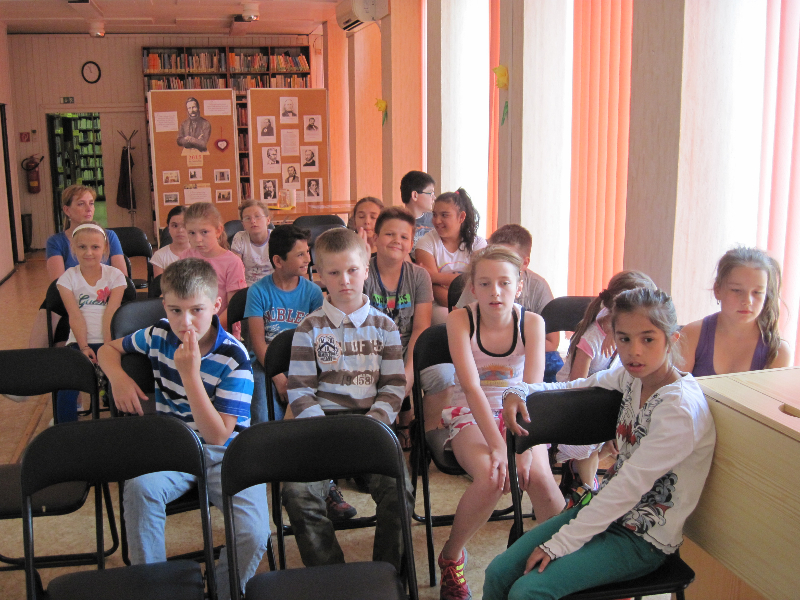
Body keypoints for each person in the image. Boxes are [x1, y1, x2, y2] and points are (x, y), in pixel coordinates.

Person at [485, 287, 716, 600]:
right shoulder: (631, 377)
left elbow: (629, 488)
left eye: (648, 339)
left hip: (643, 539)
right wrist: (520, 390)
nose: (634, 351)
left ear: (671, 340)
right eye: (624, 339)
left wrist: (559, 545)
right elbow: (575, 386)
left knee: (528, 592)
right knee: (498, 573)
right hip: (603, 512)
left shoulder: (679, 410)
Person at [98, 259, 270, 600]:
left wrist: (190, 375)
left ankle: (223, 591)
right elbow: (108, 349)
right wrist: (117, 378)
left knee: (253, 532)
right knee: (140, 489)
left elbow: (218, 435)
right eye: (175, 310)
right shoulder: (159, 334)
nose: (185, 322)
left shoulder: (234, 357)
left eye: (196, 310)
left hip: (227, 454)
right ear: (164, 305)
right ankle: (155, 589)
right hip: (175, 450)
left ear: (216, 305)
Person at [437, 245, 564, 600]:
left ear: (519, 286)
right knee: (493, 476)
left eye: (504, 283)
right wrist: (498, 447)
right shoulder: (460, 320)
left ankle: (564, 557)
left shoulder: (533, 323)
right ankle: (451, 557)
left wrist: (523, 450)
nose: (495, 292)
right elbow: (471, 388)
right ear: (472, 287)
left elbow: (531, 391)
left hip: (521, 411)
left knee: (539, 476)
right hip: (472, 412)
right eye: (485, 283)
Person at [283, 227, 414, 569]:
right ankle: (332, 575)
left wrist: (372, 425)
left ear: (366, 270)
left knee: (400, 490)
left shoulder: (385, 328)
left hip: (372, 427)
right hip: (320, 429)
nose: (344, 280)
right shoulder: (309, 328)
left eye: (353, 270)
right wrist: (326, 432)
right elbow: (300, 390)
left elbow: (393, 386)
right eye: (334, 272)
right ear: (319, 275)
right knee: (297, 494)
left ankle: (386, 574)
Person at [554, 270, 657, 493]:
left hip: (604, 400)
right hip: (577, 402)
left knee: (628, 433)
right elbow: (576, 386)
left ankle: (579, 466)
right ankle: (591, 489)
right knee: (594, 443)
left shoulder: (623, 333)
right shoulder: (592, 337)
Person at [456, 225, 562, 382]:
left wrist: (524, 342)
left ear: (524, 263)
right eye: (494, 254)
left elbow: (552, 342)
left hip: (527, 354)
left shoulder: (538, 287)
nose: (495, 292)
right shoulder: (477, 285)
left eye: (507, 258)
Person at [364, 207, 433, 446]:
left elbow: (421, 328)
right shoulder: (363, 273)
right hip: (371, 348)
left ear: (411, 244)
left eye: (404, 237)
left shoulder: (419, 276)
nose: (397, 241)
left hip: (409, 347)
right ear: (375, 238)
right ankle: (386, 431)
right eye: (389, 234)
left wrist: (409, 372)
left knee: (441, 376)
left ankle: (421, 436)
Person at [26, 185, 125, 352]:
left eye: (91, 203)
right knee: (49, 313)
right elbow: (58, 282)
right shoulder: (56, 241)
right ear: (67, 210)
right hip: (70, 294)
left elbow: (123, 274)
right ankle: (38, 358)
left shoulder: (109, 236)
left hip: (105, 292)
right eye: (81, 204)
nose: (89, 208)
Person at [679, 246, 791, 375]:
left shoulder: (778, 351)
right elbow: (675, 387)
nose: (747, 301)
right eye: (736, 290)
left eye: (757, 292)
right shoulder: (691, 335)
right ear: (717, 290)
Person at [55, 222, 127, 422]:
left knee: (122, 377)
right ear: (73, 249)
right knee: (66, 384)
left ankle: (122, 423)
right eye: (82, 247)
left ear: (105, 249)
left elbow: (111, 313)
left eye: (95, 247)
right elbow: (75, 315)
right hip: (79, 343)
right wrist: (84, 347)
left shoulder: (115, 276)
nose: (88, 252)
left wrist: (107, 347)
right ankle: (66, 429)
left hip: (110, 341)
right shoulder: (67, 279)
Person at [415, 188, 487, 324]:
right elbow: (433, 289)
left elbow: (479, 280)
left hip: (475, 303)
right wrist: (459, 305)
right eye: (434, 215)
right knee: (455, 321)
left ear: (461, 217)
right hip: (440, 305)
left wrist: (435, 276)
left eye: (444, 215)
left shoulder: (478, 244)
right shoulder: (426, 243)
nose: (437, 221)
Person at [180, 202, 246, 331]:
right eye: (192, 233)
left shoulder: (232, 262)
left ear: (218, 231)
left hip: (220, 329)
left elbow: (233, 307)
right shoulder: (185, 257)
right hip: (190, 326)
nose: (198, 239)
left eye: (204, 232)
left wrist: (208, 328)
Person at [231, 199, 273, 287]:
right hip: (247, 287)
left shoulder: (277, 237)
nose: (253, 221)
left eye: (257, 216)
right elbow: (235, 270)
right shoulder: (240, 238)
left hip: (272, 286)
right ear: (243, 224)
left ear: (268, 220)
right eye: (247, 218)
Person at [399, 170, 436, 248]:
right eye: (430, 193)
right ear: (415, 195)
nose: (434, 197)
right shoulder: (397, 221)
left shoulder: (435, 219)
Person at [151, 205, 189, 277]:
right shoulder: (160, 256)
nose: (180, 230)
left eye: (184, 226)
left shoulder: (201, 253)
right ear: (168, 228)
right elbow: (159, 283)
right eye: (175, 226)